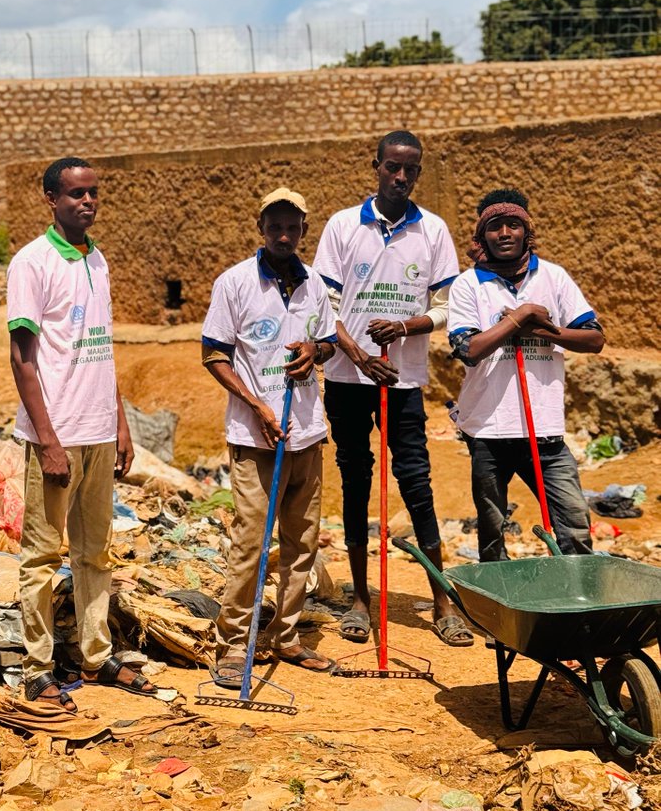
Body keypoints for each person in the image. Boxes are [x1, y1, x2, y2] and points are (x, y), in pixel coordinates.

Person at [313, 130, 472, 647]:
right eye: (392, 167)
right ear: (376, 166)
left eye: (411, 170)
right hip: (347, 379)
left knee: (416, 482)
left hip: (403, 379)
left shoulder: (433, 230)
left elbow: (447, 308)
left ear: (418, 173)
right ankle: (360, 599)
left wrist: (405, 326)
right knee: (355, 479)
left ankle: (443, 602)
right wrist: (359, 356)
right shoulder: (343, 225)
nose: (401, 177)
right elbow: (325, 308)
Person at [8, 156, 155, 707]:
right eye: (75, 193)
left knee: (96, 553)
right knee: (42, 556)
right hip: (58, 434)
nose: (87, 201)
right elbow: (22, 359)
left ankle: (96, 655)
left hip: (98, 431)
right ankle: (37, 668)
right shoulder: (32, 262)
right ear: (51, 199)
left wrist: (120, 423)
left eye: (93, 192)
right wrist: (47, 441)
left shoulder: (98, 259)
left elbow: (101, 349)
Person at [201, 188, 339, 687]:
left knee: (301, 544)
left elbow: (328, 341)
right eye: (275, 226)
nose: (284, 236)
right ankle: (234, 645)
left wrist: (315, 350)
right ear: (261, 228)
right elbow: (213, 354)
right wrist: (257, 405)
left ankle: (286, 636)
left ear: (304, 230)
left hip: (306, 432)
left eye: (292, 227)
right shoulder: (235, 283)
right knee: (250, 545)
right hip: (255, 437)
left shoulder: (315, 284)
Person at [447, 188, 603, 561]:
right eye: (495, 226)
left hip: (545, 430)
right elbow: (469, 349)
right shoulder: (468, 284)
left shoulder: (554, 277)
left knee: (574, 524)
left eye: (513, 225)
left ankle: (576, 593)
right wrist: (521, 316)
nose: (504, 234)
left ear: (526, 231)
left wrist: (543, 330)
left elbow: (594, 338)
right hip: (488, 430)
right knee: (492, 531)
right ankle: (496, 596)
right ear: (482, 235)